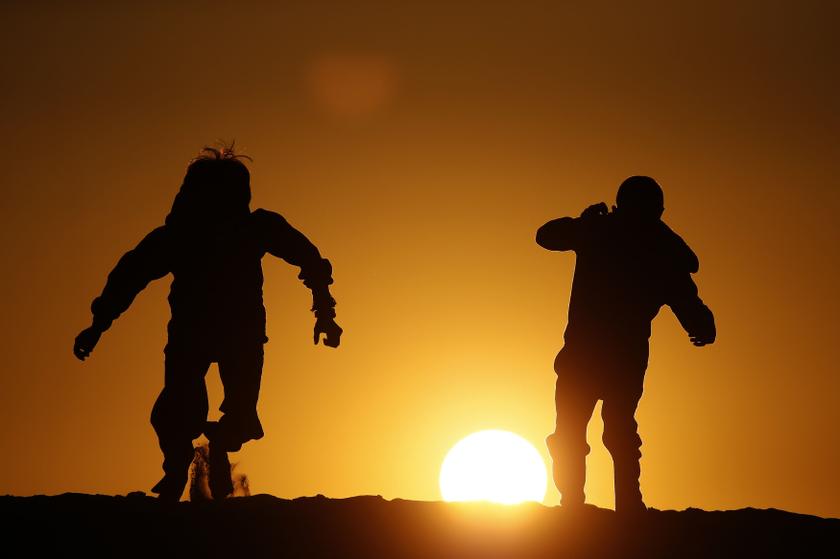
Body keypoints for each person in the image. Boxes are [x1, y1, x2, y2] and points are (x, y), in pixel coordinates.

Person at [73, 145, 342, 501]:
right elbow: (129, 276)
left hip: (233, 334)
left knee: (237, 416)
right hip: (201, 334)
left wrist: (325, 311)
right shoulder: (182, 236)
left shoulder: (248, 229)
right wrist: (98, 324)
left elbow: (309, 260)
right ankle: (176, 468)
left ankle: (213, 446)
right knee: (176, 411)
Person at [536, 176, 715, 514]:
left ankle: (599, 505)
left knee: (597, 430)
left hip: (599, 357)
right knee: (599, 430)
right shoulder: (644, 243)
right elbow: (545, 236)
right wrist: (701, 322)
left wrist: (700, 321)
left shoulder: (608, 235)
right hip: (607, 357)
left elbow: (683, 294)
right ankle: (603, 505)